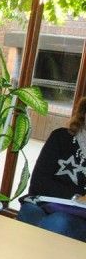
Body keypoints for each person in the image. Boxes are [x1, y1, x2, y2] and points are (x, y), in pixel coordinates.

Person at [17, 97, 86, 242]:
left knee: (57, 222)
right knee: (30, 212)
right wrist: (76, 197)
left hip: (79, 217)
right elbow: (38, 182)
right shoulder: (60, 137)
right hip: (42, 204)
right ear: (83, 114)